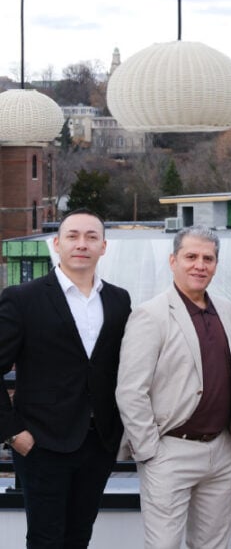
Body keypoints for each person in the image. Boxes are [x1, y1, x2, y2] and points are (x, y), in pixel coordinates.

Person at [0, 209, 132, 548]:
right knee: (46, 539)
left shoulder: (118, 300)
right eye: (73, 236)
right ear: (56, 244)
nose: (82, 244)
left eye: (91, 237)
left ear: (104, 246)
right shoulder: (23, 299)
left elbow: (124, 367)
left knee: (79, 536)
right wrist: (13, 432)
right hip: (41, 443)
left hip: (98, 442)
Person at [116, 225, 231, 549]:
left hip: (222, 450)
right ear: (173, 260)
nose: (199, 265)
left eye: (208, 258)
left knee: (213, 545)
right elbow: (130, 390)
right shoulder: (150, 315)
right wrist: (150, 452)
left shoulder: (227, 310)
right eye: (191, 256)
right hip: (170, 451)